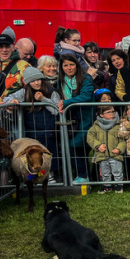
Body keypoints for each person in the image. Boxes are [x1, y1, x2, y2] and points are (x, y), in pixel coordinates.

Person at [4, 66, 61, 183]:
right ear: (28, 82)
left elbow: (56, 110)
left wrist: (43, 99)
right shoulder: (24, 92)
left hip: (48, 130)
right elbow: (6, 98)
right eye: (33, 81)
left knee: (47, 154)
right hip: (31, 130)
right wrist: (11, 101)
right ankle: (31, 178)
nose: (36, 83)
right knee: (32, 156)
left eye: (38, 79)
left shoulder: (51, 92)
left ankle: (48, 176)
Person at [57, 54, 95, 184]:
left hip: (85, 120)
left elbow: (85, 96)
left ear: (77, 65)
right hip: (70, 120)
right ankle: (83, 175)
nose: (69, 68)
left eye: (71, 64)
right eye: (65, 65)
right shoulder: (60, 81)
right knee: (74, 148)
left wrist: (66, 103)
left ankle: (83, 175)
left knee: (76, 146)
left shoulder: (86, 78)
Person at [87, 105, 126, 194]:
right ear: (101, 115)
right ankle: (107, 186)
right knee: (105, 172)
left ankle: (119, 185)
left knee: (117, 170)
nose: (112, 114)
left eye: (113, 111)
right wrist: (98, 146)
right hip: (102, 154)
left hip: (115, 154)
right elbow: (90, 137)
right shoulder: (96, 126)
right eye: (109, 112)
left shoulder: (118, 125)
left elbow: (123, 140)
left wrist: (119, 149)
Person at [0, 32, 30, 102]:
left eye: (7, 46)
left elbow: (31, 89)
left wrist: (15, 100)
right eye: (0, 46)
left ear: (13, 47)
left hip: (16, 110)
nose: (4, 50)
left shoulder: (24, 66)